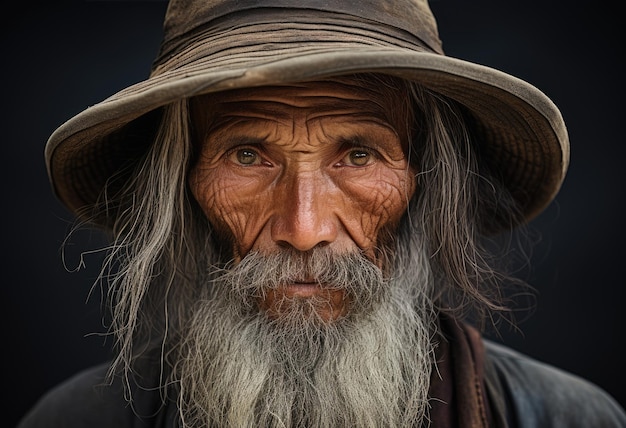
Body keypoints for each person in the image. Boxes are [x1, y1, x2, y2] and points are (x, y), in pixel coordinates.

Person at [17, 0, 626, 427]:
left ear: (422, 180)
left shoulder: (567, 417)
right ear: (184, 185)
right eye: (248, 154)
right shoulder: (75, 419)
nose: (303, 229)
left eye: (359, 155)